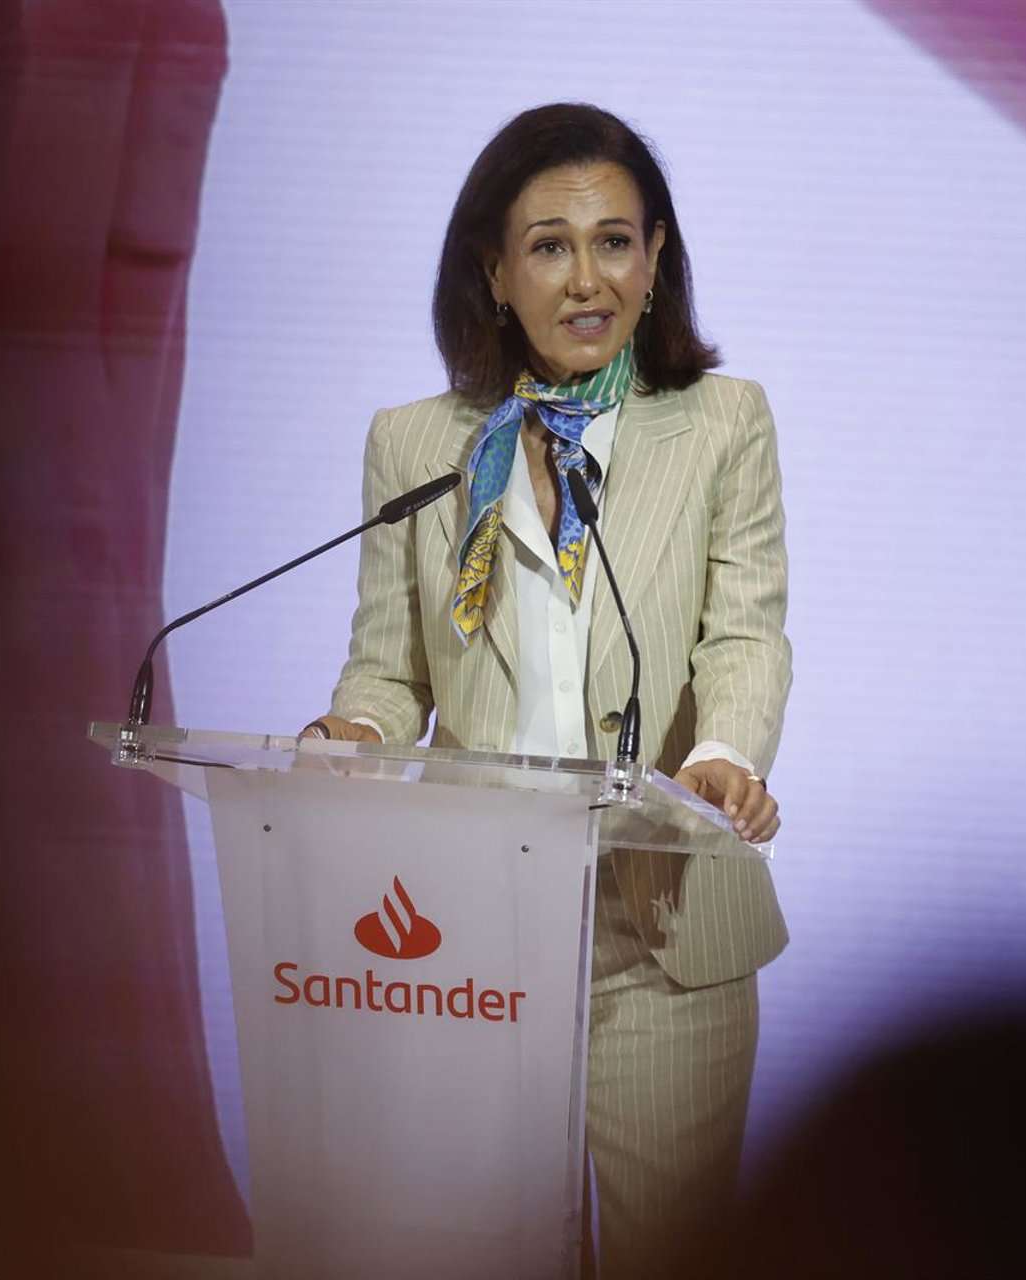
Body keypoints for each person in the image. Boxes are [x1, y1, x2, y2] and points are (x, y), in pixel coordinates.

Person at [302, 103, 792, 1278]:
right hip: (474, 929)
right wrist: (353, 727)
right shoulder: (415, 443)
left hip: (660, 920)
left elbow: (745, 632)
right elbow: (389, 666)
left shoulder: (721, 422)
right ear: (494, 270)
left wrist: (725, 755)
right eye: (550, 246)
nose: (587, 278)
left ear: (656, 257)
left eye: (615, 241)